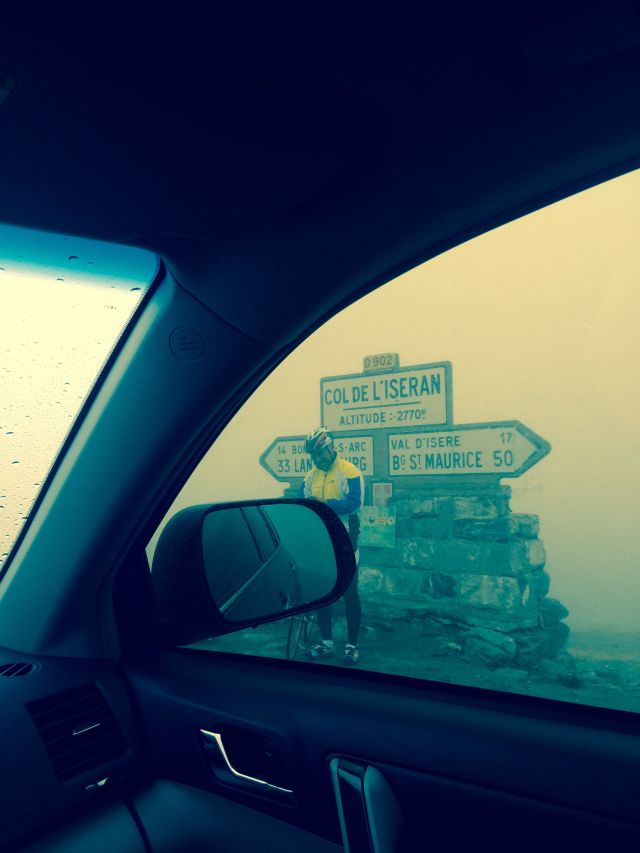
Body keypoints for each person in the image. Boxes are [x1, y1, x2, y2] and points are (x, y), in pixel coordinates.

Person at [299, 427, 364, 665]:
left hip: (347, 541)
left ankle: (352, 646)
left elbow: (355, 503)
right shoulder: (310, 477)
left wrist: (324, 504)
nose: (316, 459)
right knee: (323, 593)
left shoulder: (350, 471)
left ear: (330, 447)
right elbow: (300, 502)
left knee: (350, 594)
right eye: (313, 456)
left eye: (320, 453)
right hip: (321, 542)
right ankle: (326, 643)